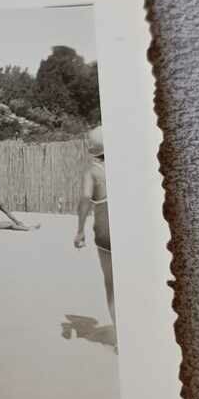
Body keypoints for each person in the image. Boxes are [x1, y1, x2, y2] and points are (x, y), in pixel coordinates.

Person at [74, 126, 116, 344]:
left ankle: (121, 335)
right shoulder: (128, 164)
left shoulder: (93, 170)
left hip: (105, 225)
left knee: (111, 283)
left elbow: (85, 200)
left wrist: (80, 230)